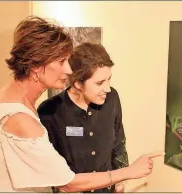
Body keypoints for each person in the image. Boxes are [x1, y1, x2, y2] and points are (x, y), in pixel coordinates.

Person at [0, 16, 161, 193]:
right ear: (36, 67)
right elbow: (68, 183)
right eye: (61, 61)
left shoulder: (5, 97)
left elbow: (117, 143)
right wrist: (128, 172)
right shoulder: (21, 119)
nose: (68, 69)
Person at [37, 42, 131, 193]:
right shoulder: (49, 111)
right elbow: (46, 165)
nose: (107, 88)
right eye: (100, 83)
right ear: (78, 83)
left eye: (109, 79)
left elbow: (118, 143)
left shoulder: (112, 98)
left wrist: (121, 181)